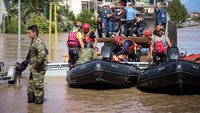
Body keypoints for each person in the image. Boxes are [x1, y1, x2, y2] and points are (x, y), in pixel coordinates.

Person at [27, 25, 48, 104]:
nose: (28, 34)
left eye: (29, 33)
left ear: (35, 33)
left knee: (38, 87)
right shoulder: (33, 41)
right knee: (30, 87)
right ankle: (31, 105)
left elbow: (42, 55)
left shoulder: (38, 42)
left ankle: (39, 106)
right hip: (34, 69)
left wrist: (35, 65)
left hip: (38, 69)